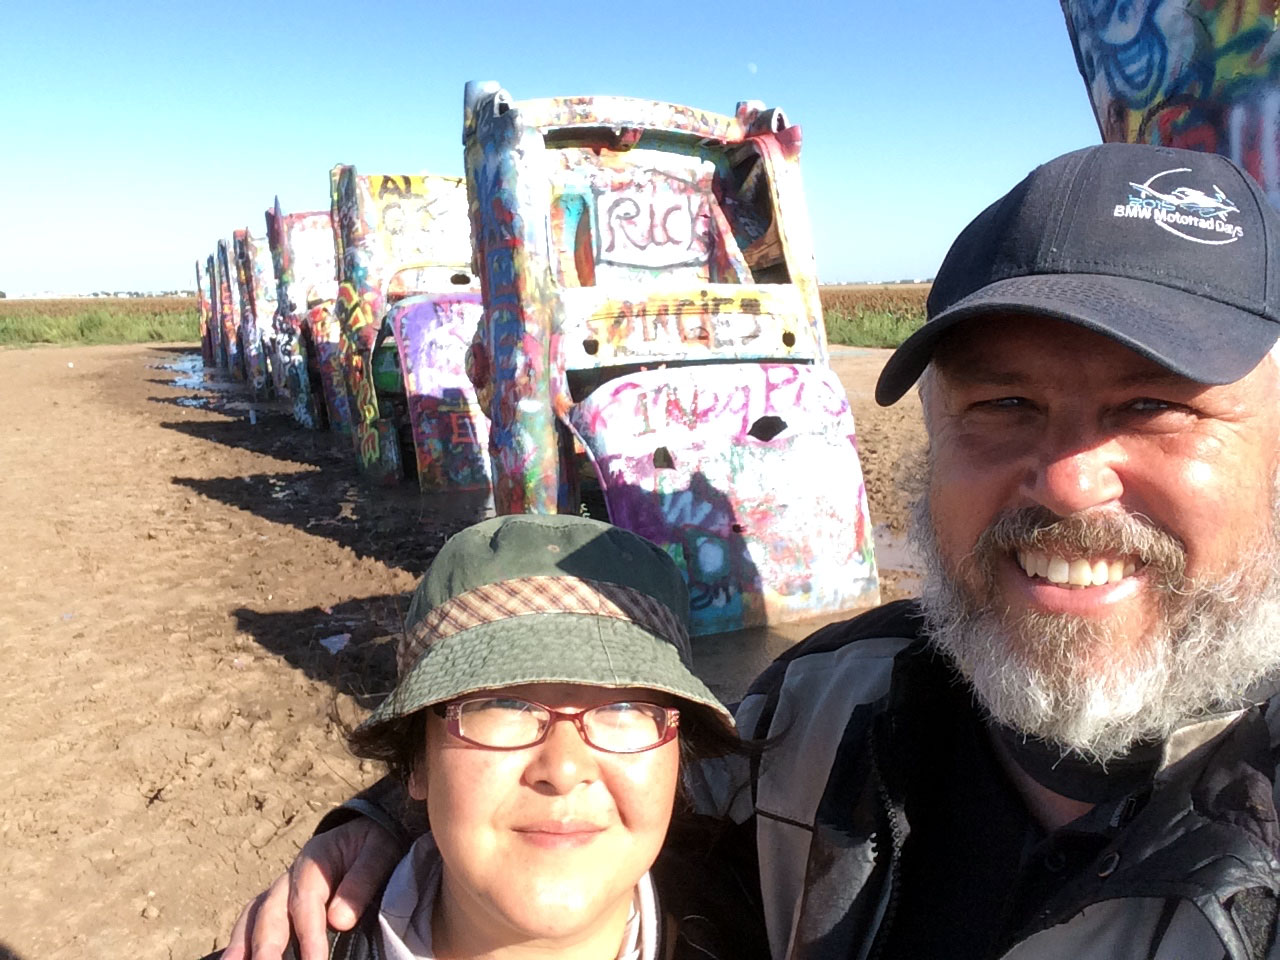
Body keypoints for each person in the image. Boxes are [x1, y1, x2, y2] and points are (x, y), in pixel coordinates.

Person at [227, 141, 1280, 959]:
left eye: (1154, 407)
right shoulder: (827, 709)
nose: (1068, 479)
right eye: (1004, 405)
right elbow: (597, 778)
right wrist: (384, 828)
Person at [216, 513, 763, 960]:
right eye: (503, 705)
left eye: (624, 708)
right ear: (415, 763)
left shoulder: (762, 920)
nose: (564, 768)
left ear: (679, 756)